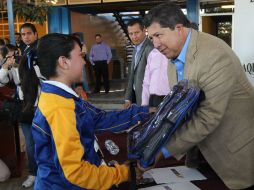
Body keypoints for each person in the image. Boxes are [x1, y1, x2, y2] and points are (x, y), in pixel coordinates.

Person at [140, 2, 254, 190]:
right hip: (201, 157)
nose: (156, 44)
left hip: (235, 156)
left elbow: (208, 117)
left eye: (159, 35)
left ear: (179, 29)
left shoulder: (214, 55)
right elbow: (180, 110)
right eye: (151, 38)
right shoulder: (172, 55)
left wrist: (162, 150)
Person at [19, 33, 151, 189]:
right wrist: (123, 173)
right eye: (80, 56)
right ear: (64, 62)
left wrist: (143, 112)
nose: (84, 62)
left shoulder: (65, 98)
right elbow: (76, 172)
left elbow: (100, 118)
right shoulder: (60, 108)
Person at [19, 22, 39, 188]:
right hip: (25, 104)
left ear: (35, 34)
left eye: (28, 33)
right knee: (31, 143)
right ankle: (34, 173)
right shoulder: (25, 51)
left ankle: (36, 174)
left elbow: (41, 80)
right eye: (23, 34)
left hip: (37, 105)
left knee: (35, 143)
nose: (26, 37)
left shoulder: (37, 53)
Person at [124, 19, 154, 108]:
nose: (134, 37)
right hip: (137, 96)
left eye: (137, 32)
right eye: (131, 34)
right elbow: (132, 75)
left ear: (144, 30)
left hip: (148, 99)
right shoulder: (136, 48)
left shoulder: (151, 48)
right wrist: (128, 98)